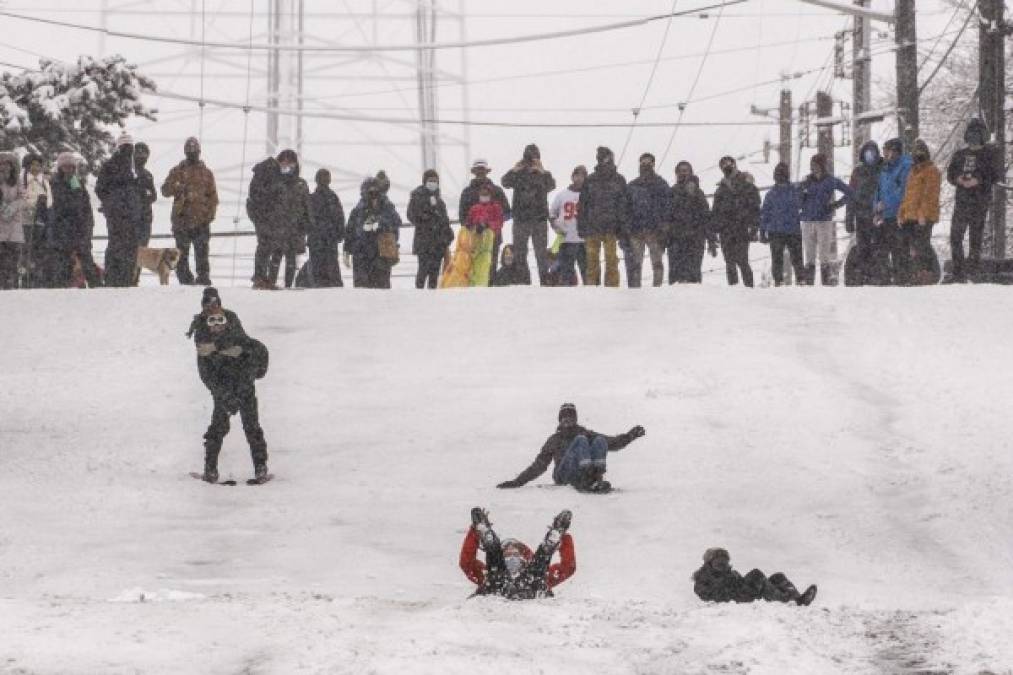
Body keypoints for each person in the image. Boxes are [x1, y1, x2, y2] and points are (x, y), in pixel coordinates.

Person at [187, 287, 270, 484]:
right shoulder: (201, 333)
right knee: (218, 427)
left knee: (252, 427)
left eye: (219, 316)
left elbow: (246, 343)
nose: (216, 320)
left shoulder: (232, 321)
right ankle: (211, 469)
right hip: (223, 384)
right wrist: (223, 394)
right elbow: (206, 373)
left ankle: (260, 467)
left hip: (243, 381)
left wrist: (223, 348)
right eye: (211, 318)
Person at [496, 403, 645, 493]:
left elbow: (611, 443)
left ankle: (595, 479)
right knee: (580, 440)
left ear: (575, 419)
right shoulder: (555, 439)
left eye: (570, 417)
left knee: (599, 440)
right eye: (564, 417)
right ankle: (587, 481)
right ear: (560, 420)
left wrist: (630, 436)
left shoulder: (585, 433)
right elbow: (539, 465)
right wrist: (517, 482)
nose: (567, 420)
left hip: (586, 476)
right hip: (564, 476)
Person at [460, 507, 575, 600]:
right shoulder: (539, 574)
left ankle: (488, 539)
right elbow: (568, 567)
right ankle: (549, 545)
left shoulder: (486, 574)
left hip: (500, 586)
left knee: (496, 572)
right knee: (537, 573)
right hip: (528, 587)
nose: (512, 556)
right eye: (508, 553)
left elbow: (466, 563)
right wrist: (563, 537)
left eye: (515, 553)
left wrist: (475, 532)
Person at [161, 137, 219, 285]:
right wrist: (177, 186)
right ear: (186, 152)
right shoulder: (177, 171)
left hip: (201, 221)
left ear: (199, 152)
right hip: (182, 220)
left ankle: (203, 278)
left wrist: (209, 216)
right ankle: (185, 280)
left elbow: (213, 197)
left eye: (195, 150)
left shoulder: (206, 173)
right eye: (189, 151)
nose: (192, 153)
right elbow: (165, 190)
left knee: (202, 253)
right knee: (182, 255)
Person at [947, 118, 999, 282]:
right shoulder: (960, 155)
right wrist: (959, 179)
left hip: (979, 202)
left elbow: (995, 175)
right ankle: (958, 272)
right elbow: (950, 174)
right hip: (962, 202)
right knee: (955, 236)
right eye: (971, 133)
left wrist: (978, 180)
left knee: (975, 238)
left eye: (977, 133)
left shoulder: (989, 154)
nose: (974, 137)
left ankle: (973, 272)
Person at [502, 144, 555, 285]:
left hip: (539, 220)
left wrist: (542, 170)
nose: (532, 161)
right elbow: (504, 182)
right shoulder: (518, 174)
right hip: (521, 220)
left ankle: (544, 281)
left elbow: (552, 185)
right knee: (520, 254)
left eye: (535, 158)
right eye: (529, 158)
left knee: (541, 254)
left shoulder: (542, 175)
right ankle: (523, 282)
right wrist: (514, 169)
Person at [95, 133, 143, 287]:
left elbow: (142, 190)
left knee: (131, 246)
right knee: (116, 244)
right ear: (119, 148)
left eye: (130, 147)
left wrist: (138, 204)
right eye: (124, 147)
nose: (128, 150)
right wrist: (110, 203)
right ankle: (112, 278)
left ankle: (127, 278)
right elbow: (100, 188)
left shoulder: (136, 167)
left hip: (132, 214)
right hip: (116, 214)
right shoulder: (110, 165)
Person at [798, 154, 853, 286]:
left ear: (822, 166)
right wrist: (802, 195)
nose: (813, 168)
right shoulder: (806, 181)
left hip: (824, 220)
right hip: (807, 220)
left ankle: (825, 283)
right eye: (812, 166)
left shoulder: (831, 181)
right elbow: (797, 198)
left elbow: (850, 192)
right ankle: (810, 283)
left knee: (824, 255)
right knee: (809, 255)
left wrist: (835, 205)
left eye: (816, 165)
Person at [692, 548, 817, 606]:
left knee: (777, 577)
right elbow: (708, 596)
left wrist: (735, 579)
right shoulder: (702, 578)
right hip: (735, 599)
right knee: (756, 575)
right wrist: (727, 582)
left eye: (725, 562)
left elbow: (740, 582)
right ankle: (790, 601)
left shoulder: (730, 573)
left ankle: (797, 597)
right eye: (719, 563)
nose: (723, 566)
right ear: (709, 563)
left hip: (741, 594)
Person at [578, 147, 630, 287]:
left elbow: (624, 205)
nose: (606, 161)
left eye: (608, 158)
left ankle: (612, 290)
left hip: (612, 228)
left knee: (612, 261)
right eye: (603, 158)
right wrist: (581, 226)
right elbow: (582, 205)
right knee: (592, 263)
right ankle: (591, 289)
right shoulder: (590, 180)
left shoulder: (619, 180)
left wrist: (623, 226)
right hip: (592, 228)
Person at [48, 152, 102, 288]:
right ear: (60, 168)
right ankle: (61, 292)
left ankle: (98, 289)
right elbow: (56, 208)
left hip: (80, 231)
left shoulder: (78, 184)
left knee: (87, 263)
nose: (69, 170)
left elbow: (86, 208)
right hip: (61, 232)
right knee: (62, 267)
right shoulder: (53, 184)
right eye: (65, 167)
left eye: (71, 167)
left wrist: (88, 226)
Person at [897, 139, 942, 286]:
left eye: (921, 152)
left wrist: (922, 213)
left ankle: (928, 273)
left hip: (925, 215)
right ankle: (914, 274)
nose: (918, 155)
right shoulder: (912, 172)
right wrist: (901, 213)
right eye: (916, 153)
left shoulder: (932, 171)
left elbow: (929, 194)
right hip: (910, 215)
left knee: (922, 245)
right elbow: (907, 195)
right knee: (910, 246)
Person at [845, 141, 889, 286]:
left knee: (879, 246)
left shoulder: (883, 168)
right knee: (862, 247)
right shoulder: (857, 172)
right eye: (867, 153)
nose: (870, 156)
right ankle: (863, 276)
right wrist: (849, 217)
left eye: (873, 152)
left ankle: (880, 275)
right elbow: (851, 195)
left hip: (878, 214)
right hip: (861, 215)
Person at [711, 156, 760, 287]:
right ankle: (733, 290)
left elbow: (755, 205)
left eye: (729, 163)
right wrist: (714, 230)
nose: (726, 166)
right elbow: (715, 211)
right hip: (725, 229)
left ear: (734, 164)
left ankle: (749, 289)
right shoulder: (720, 188)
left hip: (741, 227)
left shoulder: (746, 183)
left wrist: (754, 225)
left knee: (742, 260)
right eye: (723, 165)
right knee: (729, 262)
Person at [459, 159, 510, 282]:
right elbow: (462, 216)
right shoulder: (467, 192)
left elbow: (508, 213)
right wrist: (473, 227)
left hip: (494, 237)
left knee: (491, 266)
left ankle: (490, 289)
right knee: (472, 266)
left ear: (487, 171)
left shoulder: (497, 191)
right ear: (474, 172)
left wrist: (490, 226)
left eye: (482, 170)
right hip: (473, 238)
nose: (480, 173)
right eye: (478, 170)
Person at [345, 177, 402, 289]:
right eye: (370, 191)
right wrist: (347, 250)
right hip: (362, 255)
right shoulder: (358, 210)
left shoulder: (387, 206)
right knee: (362, 288)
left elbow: (396, 221)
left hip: (381, 253)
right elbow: (350, 231)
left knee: (381, 287)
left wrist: (380, 224)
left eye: (375, 191)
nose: (373, 194)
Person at [625, 152, 671, 287]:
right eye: (643, 162)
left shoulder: (661, 184)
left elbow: (667, 207)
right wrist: (627, 227)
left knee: (657, 263)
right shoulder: (632, 185)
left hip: (655, 231)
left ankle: (657, 289)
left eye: (648, 162)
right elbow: (626, 208)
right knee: (636, 264)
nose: (645, 165)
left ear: (653, 164)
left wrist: (664, 227)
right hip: (636, 231)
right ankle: (636, 291)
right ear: (639, 164)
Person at [875, 138, 913, 285]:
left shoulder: (905, 166)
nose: (884, 153)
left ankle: (903, 279)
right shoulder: (885, 167)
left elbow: (903, 191)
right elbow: (879, 189)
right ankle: (885, 279)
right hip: (884, 215)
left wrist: (886, 204)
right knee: (882, 249)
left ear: (894, 151)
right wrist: (877, 208)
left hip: (899, 214)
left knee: (900, 250)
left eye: (886, 150)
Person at [668, 162, 714, 284]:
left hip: (696, 237)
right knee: (676, 273)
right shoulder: (672, 192)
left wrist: (711, 239)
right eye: (681, 170)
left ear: (690, 172)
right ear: (677, 173)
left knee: (694, 271)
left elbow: (706, 216)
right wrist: (666, 235)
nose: (683, 172)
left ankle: (694, 299)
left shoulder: (698, 193)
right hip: (676, 238)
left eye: (686, 170)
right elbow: (667, 216)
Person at [760, 162, 805, 287]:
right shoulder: (795, 191)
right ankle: (796, 280)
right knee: (792, 258)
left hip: (780, 230)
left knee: (780, 258)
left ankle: (784, 281)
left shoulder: (772, 194)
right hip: (788, 230)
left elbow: (765, 214)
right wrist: (762, 230)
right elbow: (765, 213)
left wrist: (763, 231)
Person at [408, 169, 453, 289]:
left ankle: (431, 298)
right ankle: (419, 294)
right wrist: (425, 216)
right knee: (422, 271)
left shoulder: (439, 201)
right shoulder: (417, 197)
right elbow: (411, 215)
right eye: (430, 180)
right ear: (424, 182)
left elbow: (445, 220)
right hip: (423, 241)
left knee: (434, 273)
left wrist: (448, 235)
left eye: (435, 181)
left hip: (438, 242)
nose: (433, 183)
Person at [548, 165, 587, 286]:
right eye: (577, 175)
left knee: (588, 273)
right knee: (566, 273)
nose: (579, 179)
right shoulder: (562, 195)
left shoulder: (590, 195)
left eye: (582, 176)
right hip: (567, 239)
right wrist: (555, 225)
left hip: (585, 240)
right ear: (572, 177)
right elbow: (552, 213)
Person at [307, 168, 346, 288]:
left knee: (320, 268)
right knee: (330, 267)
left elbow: (307, 219)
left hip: (320, 238)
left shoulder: (313, 198)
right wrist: (339, 233)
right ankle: (330, 285)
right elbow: (340, 218)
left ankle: (321, 285)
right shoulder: (332, 198)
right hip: (327, 238)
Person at [19, 153, 52, 288]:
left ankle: (37, 278)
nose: (35, 168)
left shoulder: (44, 181)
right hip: (24, 221)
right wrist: (30, 205)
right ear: (27, 166)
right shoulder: (21, 179)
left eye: (38, 165)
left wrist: (43, 205)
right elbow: (21, 197)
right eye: (33, 165)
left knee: (38, 250)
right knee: (26, 249)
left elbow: (50, 199)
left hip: (40, 220)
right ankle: (25, 276)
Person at [0, 153, 26, 289]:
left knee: (13, 261)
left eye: (7, 164)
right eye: (2, 164)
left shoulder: (17, 181)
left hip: (14, 227)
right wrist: (3, 208)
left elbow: (22, 198)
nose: (4, 167)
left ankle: (13, 287)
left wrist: (11, 208)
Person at [133, 142, 157, 251]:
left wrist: (145, 196)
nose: (141, 156)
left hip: (145, 218)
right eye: (138, 153)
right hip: (130, 219)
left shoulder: (148, 175)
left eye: (143, 154)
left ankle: (137, 269)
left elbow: (153, 195)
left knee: (142, 251)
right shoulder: (127, 172)